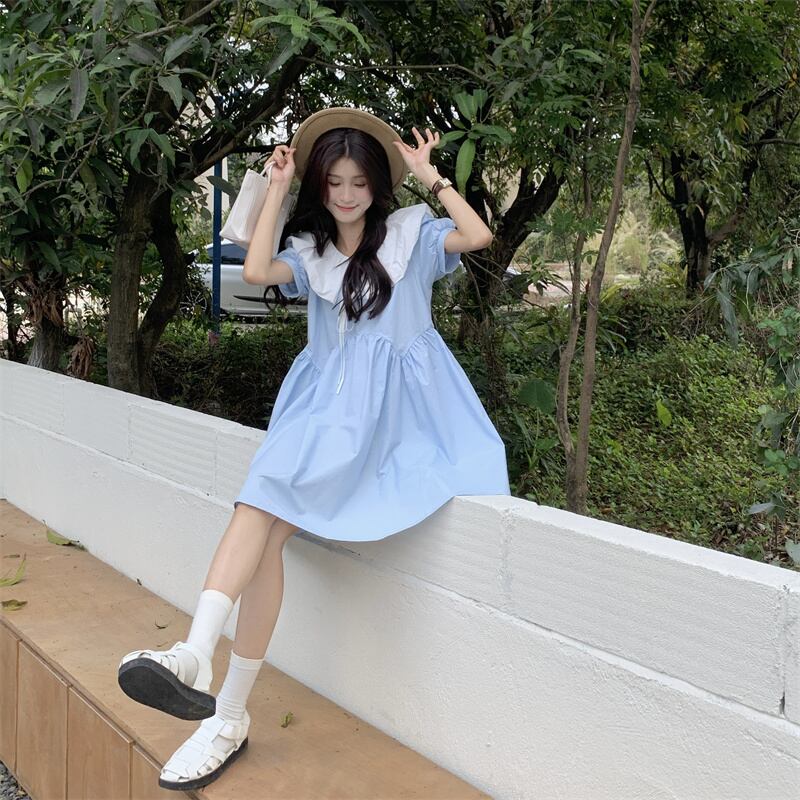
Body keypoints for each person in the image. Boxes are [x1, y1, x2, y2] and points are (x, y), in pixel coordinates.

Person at [116, 107, 511, 791]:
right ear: (320, 185)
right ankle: (207, 679)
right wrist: (277, 186)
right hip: (322, 413)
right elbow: (256, 268)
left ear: (378, 184)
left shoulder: (411, 234)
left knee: (259, 506)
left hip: (392, 425)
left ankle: (206, 677)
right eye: (334, 182)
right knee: (261, 523)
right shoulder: (312, 250)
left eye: (359, 181)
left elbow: (478, 236)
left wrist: (430, 176)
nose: (347, 194)